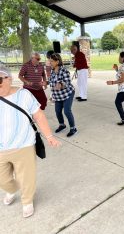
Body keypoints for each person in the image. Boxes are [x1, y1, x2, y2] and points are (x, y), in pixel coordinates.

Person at [0, 65, 60, 218]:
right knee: (3, 179)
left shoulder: (24, 95)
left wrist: (49, 136)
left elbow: (39, 116)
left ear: (9, 79)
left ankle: (27, 200)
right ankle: (12, 189)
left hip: (23, 145)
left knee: (26, 177)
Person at [49, 53, 77, 137]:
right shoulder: (52, 71)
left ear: (57, 61)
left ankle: (73, 128)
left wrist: (61, 85)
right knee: (57, 111)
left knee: (67, 111)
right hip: (58, 96)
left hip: (68, 93)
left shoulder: (63, 70)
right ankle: (62, 125)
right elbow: (51, 82)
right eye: (49, 61)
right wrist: (46, 83)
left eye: (51, 61)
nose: (50, 62)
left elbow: (67, 82)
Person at [106, 51, 124, 125]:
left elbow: (123, 79)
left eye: (119, 57)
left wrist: (112, 82)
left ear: (122, 58)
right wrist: (117, 69)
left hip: (123, 89)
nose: (118, 58)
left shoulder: (123, 66)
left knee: (117, 102)